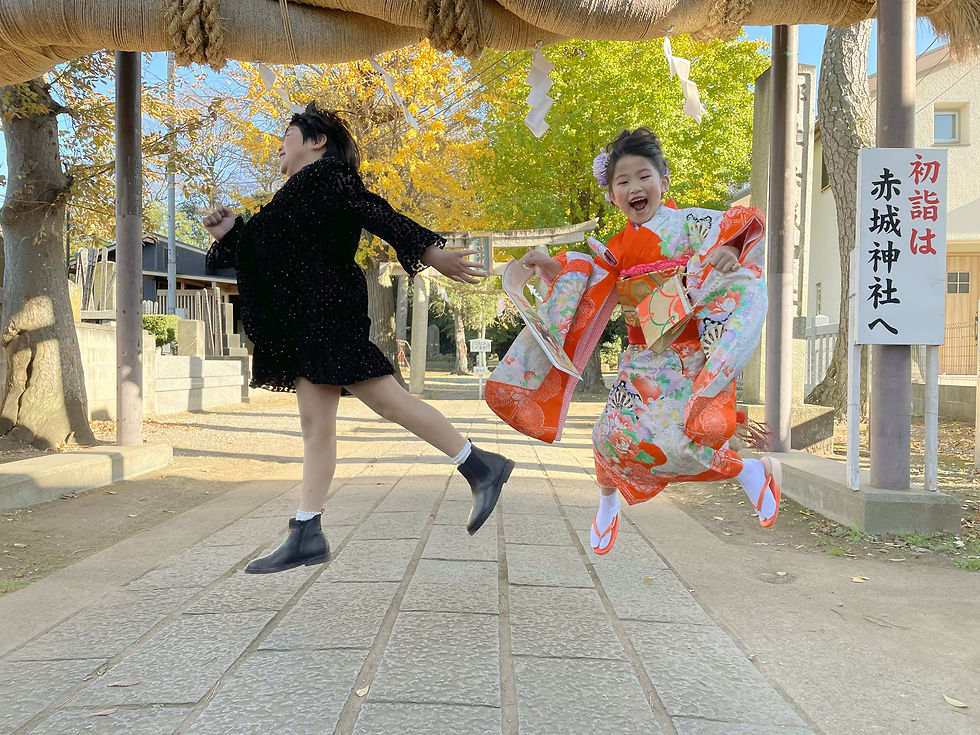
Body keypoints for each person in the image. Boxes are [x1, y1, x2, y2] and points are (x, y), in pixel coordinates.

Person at [203, 102, 514, 574]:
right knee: (316, 428)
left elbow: (376, 211)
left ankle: (480, 465)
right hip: (307, 324)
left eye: (287, 134)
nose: (279, 145)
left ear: (316, 141)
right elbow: (262, 249)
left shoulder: (328, 177)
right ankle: (306, 531)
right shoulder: (291, 196)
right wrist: (231, 232)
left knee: (386, 400)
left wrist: (430, 251)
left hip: (328, 316)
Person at [517, 127, 779, 554]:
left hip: (685, 356)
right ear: (612, 195)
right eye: (623, 181)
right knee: (606, 435)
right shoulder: (617, 245)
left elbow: (741, 223)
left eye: (644, 176)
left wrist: (730, 250)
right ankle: (607, 502)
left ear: (664, 182)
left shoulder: (688, 223)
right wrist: (551, 264)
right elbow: (585, 284)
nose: (635, 187)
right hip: (640, 356)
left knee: (675, 442)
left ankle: (747, 472)